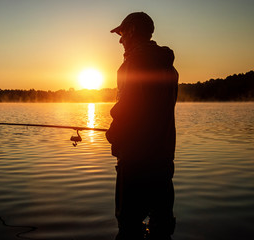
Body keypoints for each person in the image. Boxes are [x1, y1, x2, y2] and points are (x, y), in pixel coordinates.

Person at [106, 12, 178, 240]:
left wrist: (113, 134)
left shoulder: (131, 65)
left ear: (133, 31)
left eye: (122, 33)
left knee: (129, 227)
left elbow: (128, 108)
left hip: (134, 161)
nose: (120, 40)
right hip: (163, 159)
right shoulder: (168, 67)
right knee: (162, 226)